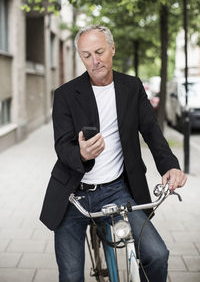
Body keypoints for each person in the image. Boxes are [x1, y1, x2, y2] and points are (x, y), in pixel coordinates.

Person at [40, 25, 187, 282]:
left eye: (99, 51)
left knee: (157, 255)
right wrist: (82, 153)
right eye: (86, 55)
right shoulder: (65, 94)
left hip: (116, 190)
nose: (94, 61)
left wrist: (170, 166)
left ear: (112, 49)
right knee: (72, 276)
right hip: (73, 196)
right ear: (80, 56)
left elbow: (151, 132)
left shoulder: (131, 87)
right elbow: (62, 145)